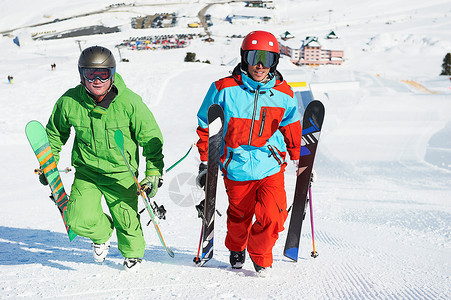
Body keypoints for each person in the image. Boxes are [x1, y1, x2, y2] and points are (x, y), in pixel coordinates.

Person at [40, 45, 164, 271]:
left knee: (126, 220)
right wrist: (49, 163)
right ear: (81, 75)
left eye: (103, 74)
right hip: (87, 173)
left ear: (112, 74)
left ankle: (132, 254)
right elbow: (55, 134)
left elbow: (151, 138)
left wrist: (153, 173)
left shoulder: (129, 102)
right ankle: (102, 234)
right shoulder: (70, 101)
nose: (97, 80)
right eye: (91, 74)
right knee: (76, 219)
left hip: (121, 174)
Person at [195, 31, 302, 273]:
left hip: (270, 165)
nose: (260, 65)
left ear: (275, 61)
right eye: (255, 57)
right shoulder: (223, 89)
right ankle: (236, 247)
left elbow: (291, 126)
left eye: (267, 59)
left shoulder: (284, 94)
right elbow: (205, 125)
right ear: (245, 58)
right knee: (238, 217)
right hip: (236, 165)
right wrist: (205, 163)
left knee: (274, 215)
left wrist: (300, 160)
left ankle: (260, 253)